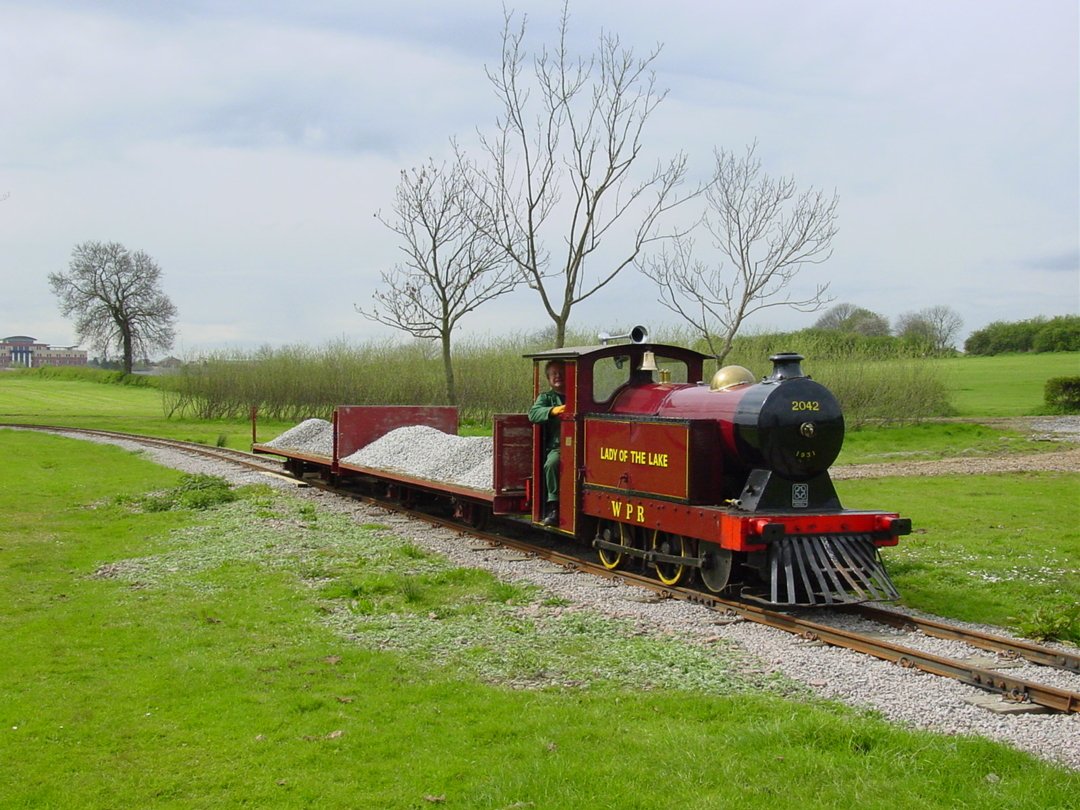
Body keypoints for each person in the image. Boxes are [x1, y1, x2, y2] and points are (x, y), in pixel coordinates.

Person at [528, 359, 566, 526]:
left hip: (585, 445)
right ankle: (554, 506)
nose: (558, 376)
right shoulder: (546, 398)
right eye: (554, 374)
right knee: (551, 463)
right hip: (559, 447)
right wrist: (553, 410)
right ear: (548, 378)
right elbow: (533, 414)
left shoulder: (579, 394)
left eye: (561, 373)